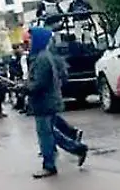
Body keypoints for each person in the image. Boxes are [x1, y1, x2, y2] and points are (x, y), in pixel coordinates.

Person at [27, 27, 88, 178]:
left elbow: (39, 84)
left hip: (44, 102)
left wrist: (24, 88)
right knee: (52, 133)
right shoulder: (43, 56)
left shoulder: (41, 59)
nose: (27, 44)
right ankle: (78, 148)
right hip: (48, 101)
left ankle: (49, 166)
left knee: (45, 135)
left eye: (29, 40)